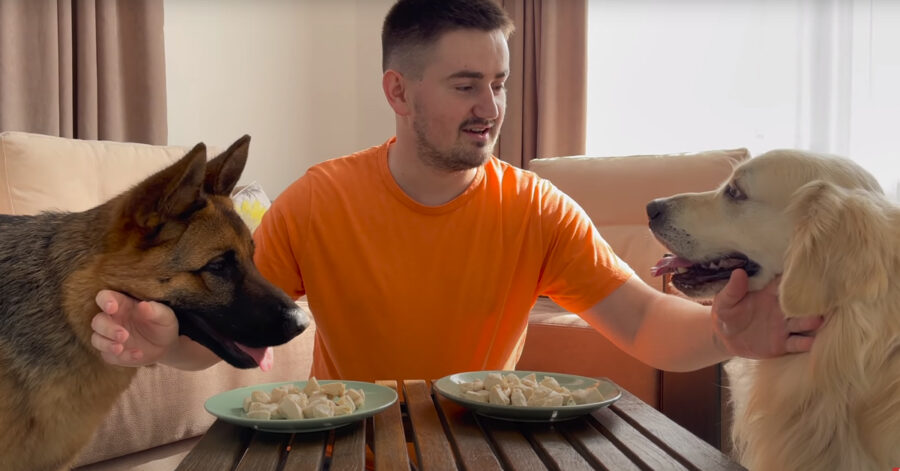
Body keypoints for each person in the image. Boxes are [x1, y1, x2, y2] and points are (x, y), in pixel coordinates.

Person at [91, 0, 823, 382]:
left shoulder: (536, 209)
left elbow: (643, 324)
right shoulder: (319, 200)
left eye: (499, 83)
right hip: (346, 448)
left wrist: (726, 333)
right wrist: (167, 340)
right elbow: (228, 338)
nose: (492, 108)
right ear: (398, 92)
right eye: (467, 84)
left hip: (481, 447)